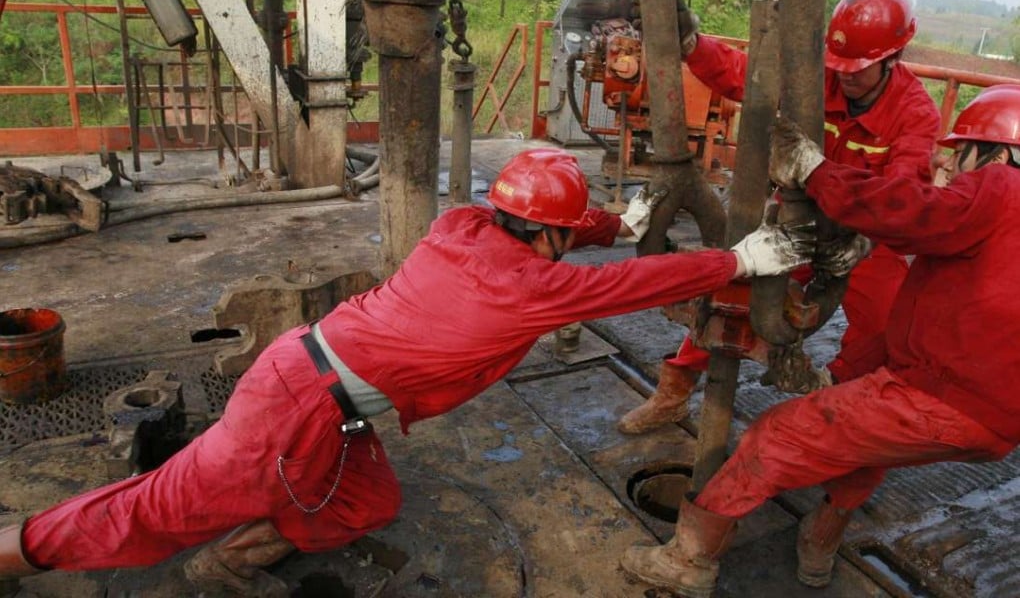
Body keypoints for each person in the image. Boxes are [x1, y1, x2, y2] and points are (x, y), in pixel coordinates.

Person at [0, 147, 812, 596]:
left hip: (317, 389)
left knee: (370, 503)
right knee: (155, 506)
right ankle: (19, 552)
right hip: (293, 407)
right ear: (549, 237)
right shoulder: (532, 288)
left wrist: (612, 223)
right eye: (569, 234)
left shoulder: (460, 224)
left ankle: (244, 540)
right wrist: (734, 262)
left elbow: (557, 231)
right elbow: (630, 284)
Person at [619, 85, 1020, 596]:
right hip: (995, 418)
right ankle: (821, 539)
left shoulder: (1003, 185)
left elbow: (914, 209)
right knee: (869, 448)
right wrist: (835, 375)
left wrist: (816, 172)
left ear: (998, 155)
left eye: (961, 153)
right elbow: (933, 305)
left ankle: (689, 560)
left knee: (776, 435)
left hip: (944, 398)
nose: (950, 163)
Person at [618, 0, 942, 435]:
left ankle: (833, 401)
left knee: (887, 322)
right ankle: (673, 392)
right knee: (731, 291)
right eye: (840, 64)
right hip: (797, 217)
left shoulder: (914, 113)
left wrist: (863, 240)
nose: (845, 75)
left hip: (864, 237)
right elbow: (745, 75)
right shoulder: (818, 77)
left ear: (893, 58)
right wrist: (692, 44)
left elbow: (903, 195)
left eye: (859, 67)